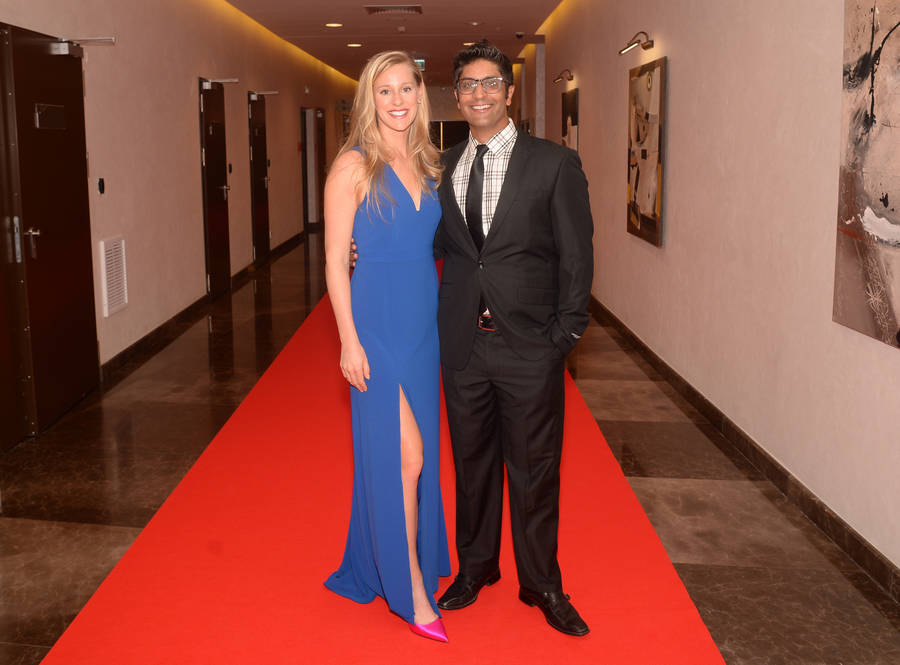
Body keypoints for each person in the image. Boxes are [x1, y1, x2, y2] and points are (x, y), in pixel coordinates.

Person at [433, 41, 594, 636]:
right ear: (457, 96)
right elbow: (439, 247)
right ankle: (476, 568)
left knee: (534, 469)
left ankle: (542, 583)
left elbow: (577, 256)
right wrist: (359, 246)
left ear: (508, 91)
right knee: (471, 466)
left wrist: (565, 333)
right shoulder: (441, 166)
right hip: (463, 347)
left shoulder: (553, 164)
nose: (479, 93)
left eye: (490, 83)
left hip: (530, 346)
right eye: (468, 84)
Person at [323, 50, 451, 643]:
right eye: (385, 91)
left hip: (422, 330)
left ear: (420, 96)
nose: (397, 102)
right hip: (375, 328)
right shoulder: (352, 166)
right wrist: (349, 341)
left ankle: (387, 561)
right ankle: (411, 591)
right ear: (368, 100)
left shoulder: (427, 161)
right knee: (410, 456)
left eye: (407, 90)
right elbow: (334, 263)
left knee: (410, 458)